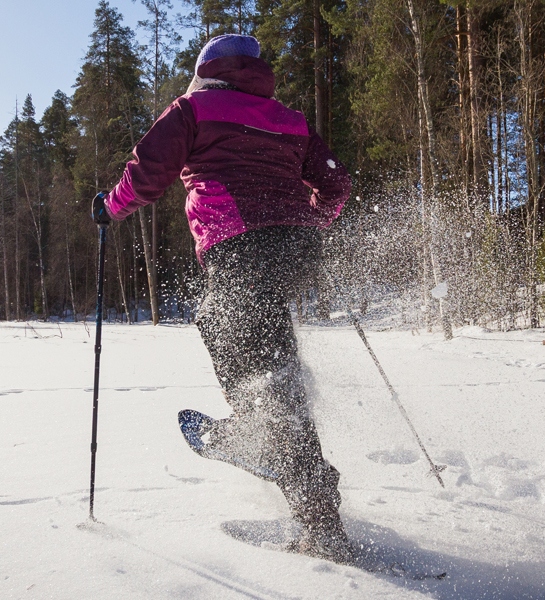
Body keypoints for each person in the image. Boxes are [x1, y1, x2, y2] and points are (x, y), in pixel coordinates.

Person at [95, 33, 353, 561]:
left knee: (237, 338)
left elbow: (148, 173)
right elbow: (336, 186)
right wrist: (308, 221)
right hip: (296, 246)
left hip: (240, 242)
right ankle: (306, 489)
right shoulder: (291, 120)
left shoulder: (194, 109)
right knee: (260, 350)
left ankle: (269, 447)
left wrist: (110, 208)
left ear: (206, 70)